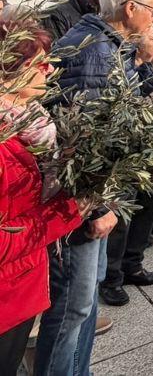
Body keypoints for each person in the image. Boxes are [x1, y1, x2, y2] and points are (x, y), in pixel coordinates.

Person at [37, 0, 153, 374]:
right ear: (130, 8)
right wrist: (97, 209)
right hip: (77, 203)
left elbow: (121, 110)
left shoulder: (105, 44)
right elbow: (85, 141)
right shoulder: (95, 51)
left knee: (83, 302)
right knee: (72, 309)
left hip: (87, 198)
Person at [0, 21, 86, 372]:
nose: (50, 69)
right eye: (40, 63)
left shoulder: (27, 122)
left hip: (19, 290)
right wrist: (71, 210)